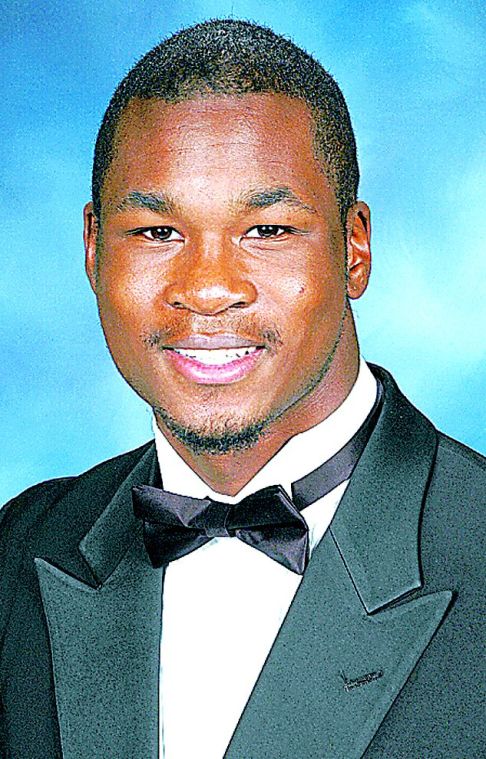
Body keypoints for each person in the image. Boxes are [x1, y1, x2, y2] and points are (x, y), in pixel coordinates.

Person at [0, 18, 484, 759]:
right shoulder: (20, 550)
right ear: (93, 249)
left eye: (268, 230)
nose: (208, 288)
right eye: (157, 233)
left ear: (354, 248)